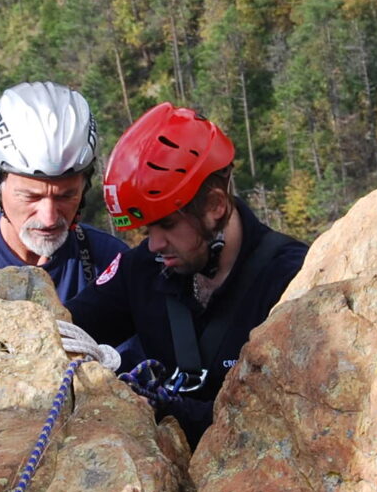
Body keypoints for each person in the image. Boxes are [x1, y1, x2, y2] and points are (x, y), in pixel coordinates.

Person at [63, 102, 305, 444]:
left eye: (167, 225)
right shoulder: (142, 270)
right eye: (147, 229)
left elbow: (275, 419)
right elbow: (69, 327)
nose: (154, 244)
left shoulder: (289, 279)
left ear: (215, 206)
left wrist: (166, 409)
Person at [0, 81, 132, 301]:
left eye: (66, 196)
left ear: (84, 189)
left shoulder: (110, 262)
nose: (49, 218)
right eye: (31, 196)